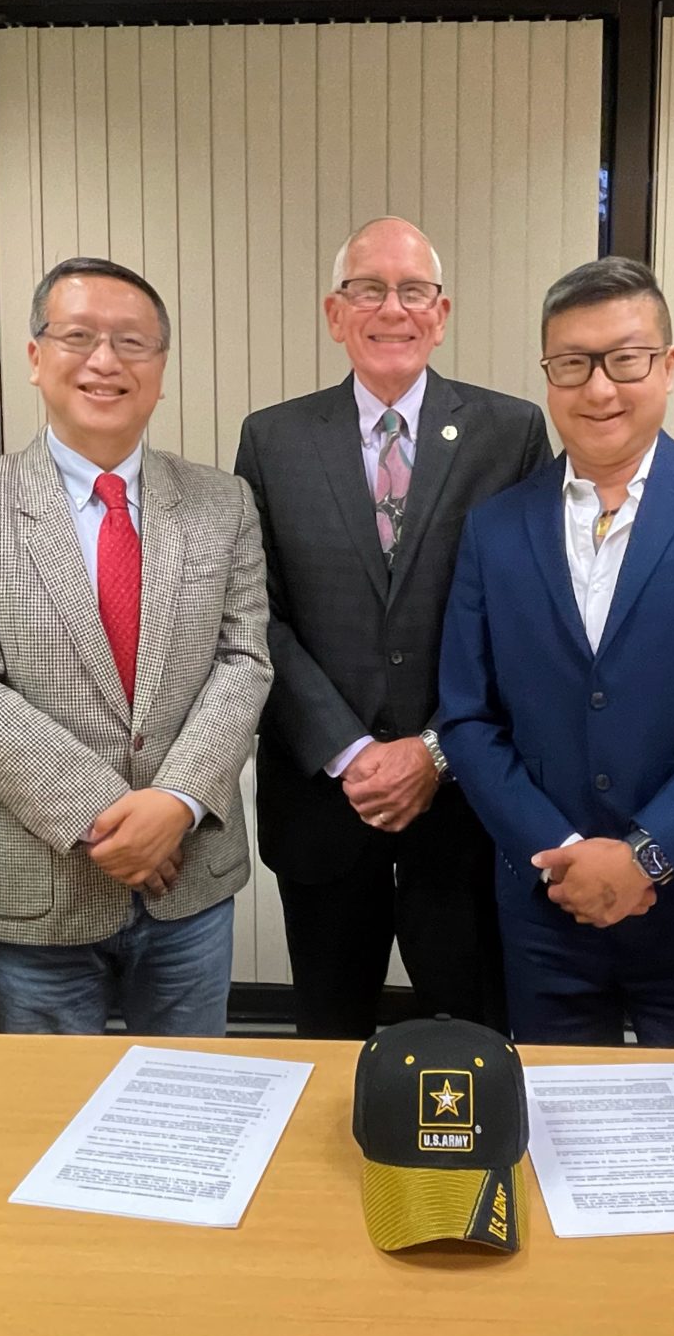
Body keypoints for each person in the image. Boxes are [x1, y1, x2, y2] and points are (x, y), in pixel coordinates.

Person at [436, 256, 674, 1047]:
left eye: (625, 359)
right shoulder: (496, 527)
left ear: (667, 367)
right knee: (558, 1133)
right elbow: (467, 717)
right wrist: (569, 855)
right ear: (548, 376)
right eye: (572, 364)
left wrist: (646, 855)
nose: (599, 389)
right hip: (548, 905)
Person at [0, 256, 270, 1036]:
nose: (105, 360)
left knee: (188, 1102)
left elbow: (244, 661)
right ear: (36, 358)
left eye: (132, 342)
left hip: (192, 879)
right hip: (42, 878)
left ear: (161, 370)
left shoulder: (222, 502)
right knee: (47, 1117)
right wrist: (112, 817)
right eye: (78, 336)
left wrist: (173, 805)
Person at [234, 217, 550, 1038]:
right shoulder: (272, 440)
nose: (392, 309)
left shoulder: (509, 433)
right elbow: (256, 614)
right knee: (329, 1038)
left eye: (413, 291)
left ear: (440, 314)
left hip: (463, 802)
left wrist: (434, 749)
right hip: (324, 797)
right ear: (335, 313)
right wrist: (351, 749)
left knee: (472, 1035)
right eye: (368, 288)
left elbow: (524, 619)